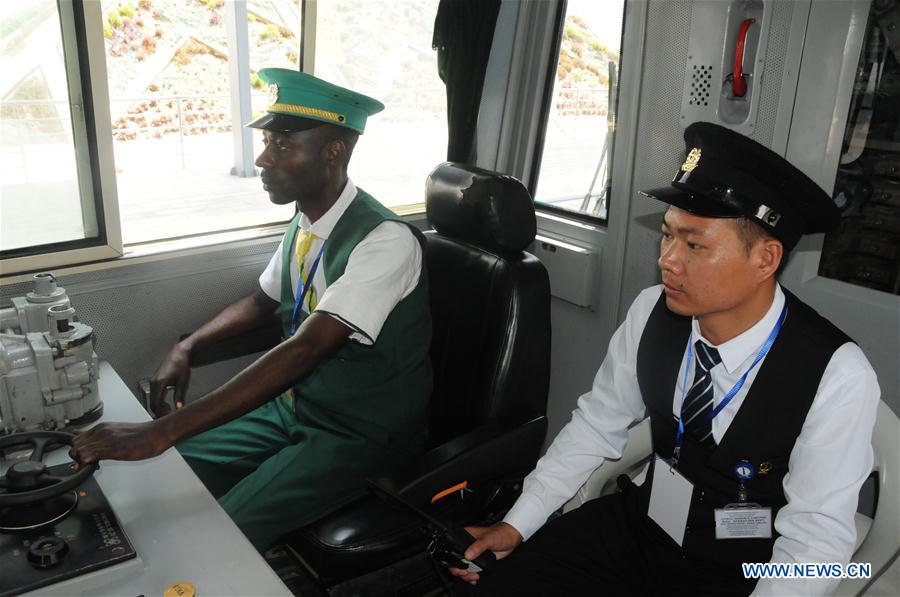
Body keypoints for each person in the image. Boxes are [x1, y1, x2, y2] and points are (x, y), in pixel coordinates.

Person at [451, 122, 880, 596]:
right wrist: (518, 524)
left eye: (694, 244)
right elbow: (597, 426)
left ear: (765, 259)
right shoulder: (651, 311)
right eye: (667, 236)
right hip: (644, 523)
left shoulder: (836, 374)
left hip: (745, 566)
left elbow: (816, 542)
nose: (668, 261)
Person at [71, 69, 433, 550]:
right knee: (167, 474)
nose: (263, 158)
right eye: (267, 141)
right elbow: (262, 302)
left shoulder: (385, 241)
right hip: (296, 407)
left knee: (215, 533)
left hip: (358, 432)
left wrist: (163, 429)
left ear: (333, 152)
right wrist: (188, 346)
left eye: (281, 145)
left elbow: (306, 348)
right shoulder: (307, 222)